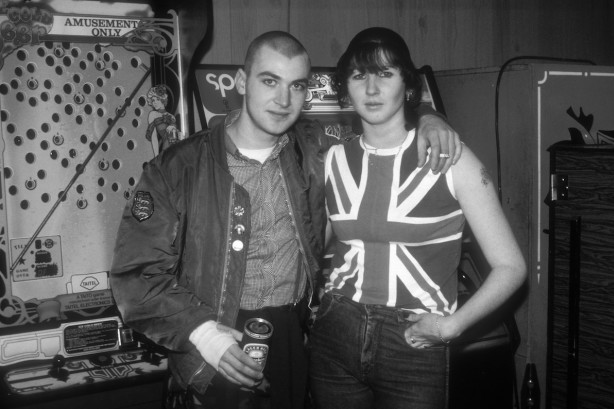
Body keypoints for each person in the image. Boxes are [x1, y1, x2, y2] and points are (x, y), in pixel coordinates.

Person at [110, 30, 461, 409]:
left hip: (293, 339)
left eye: (296, 86)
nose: (283, 100)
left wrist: (429, 117)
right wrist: (207, 336)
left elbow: (385, 122)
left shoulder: (316, 150)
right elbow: (136, 275)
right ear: (242, 82)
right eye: (269, 81)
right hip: (210, 340)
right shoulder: (177, 168)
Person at [309, 27, 526, 409]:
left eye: (385, 73)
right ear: (345, 87)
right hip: (336, 333)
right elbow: (320, 245)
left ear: (408, 87)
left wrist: (450, 327)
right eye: (359, 76)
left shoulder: (451, 159)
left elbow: (511, 267)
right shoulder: (333, 160)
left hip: (413, 339)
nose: (372, 89)